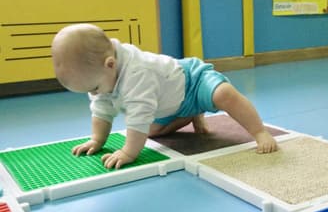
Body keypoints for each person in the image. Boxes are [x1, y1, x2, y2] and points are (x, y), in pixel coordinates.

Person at [51, 24, 278, 169]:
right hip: (167, 104)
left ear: (110, 65)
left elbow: (137, 119)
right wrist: (97, 140)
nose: (94, 94)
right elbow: (101, 110)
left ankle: (259, 131)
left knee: (225, 94)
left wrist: (129, 152)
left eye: (94, 89)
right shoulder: (103, 75)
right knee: (151, 133)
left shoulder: (137, 73)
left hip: (192, 82)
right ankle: (192, 114)